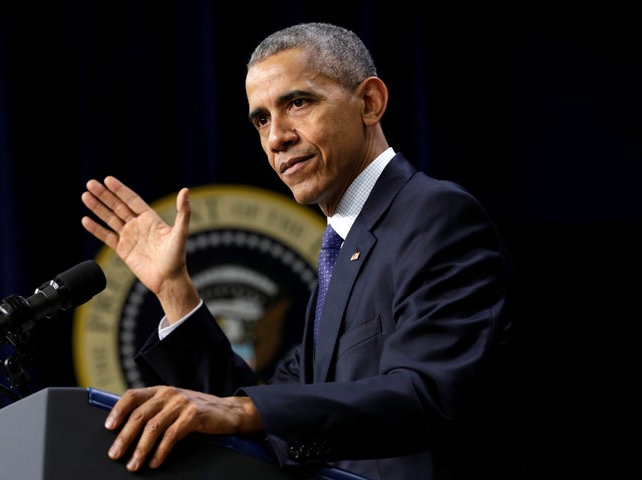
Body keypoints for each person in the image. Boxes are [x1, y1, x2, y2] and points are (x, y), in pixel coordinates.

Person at [80, 22, 523, 480]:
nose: (277, 138)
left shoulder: (434, 215)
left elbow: (429, 393)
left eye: (297, 102)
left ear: (370, 103)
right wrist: (175, 290)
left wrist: (248, 412)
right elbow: (270, 420)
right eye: (262, 119)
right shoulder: (344, 248)